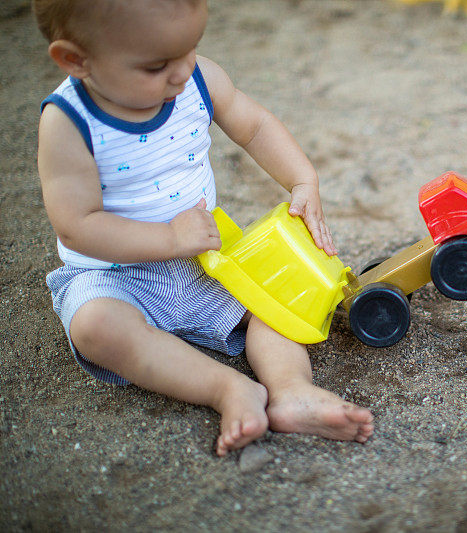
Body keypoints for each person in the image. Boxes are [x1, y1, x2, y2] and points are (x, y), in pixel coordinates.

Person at [34, 0, 374, 456]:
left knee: (274, 300)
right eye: (157, 66)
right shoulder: (67, 124)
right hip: (113, 273)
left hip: (204, 258)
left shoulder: (197, 79)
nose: (180, 73)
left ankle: (291, 390)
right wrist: (168, 239)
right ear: (76, 59)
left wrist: (302, 179)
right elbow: (77, 226)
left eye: (190, 48)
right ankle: (227, 388)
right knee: (96, 327)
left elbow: (253, 126)